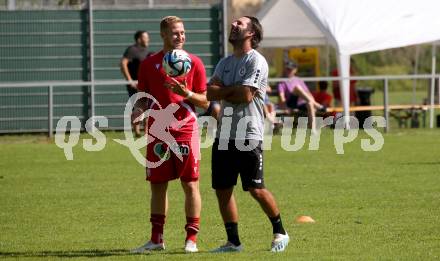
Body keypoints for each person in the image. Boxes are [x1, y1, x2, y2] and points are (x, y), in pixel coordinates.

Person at [207, 16, 289, 253]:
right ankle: (233, 242)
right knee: (222, 190)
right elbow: (210, 93)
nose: (234, 25)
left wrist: (225, 91)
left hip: (248, 135)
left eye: (240, 24)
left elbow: (245, 95)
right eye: (233, 23)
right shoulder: (224, 62)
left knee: (256, 189)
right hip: (224, 135)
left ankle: (280, 231)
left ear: (252, 33)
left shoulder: (257, 61)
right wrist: (230, 90)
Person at [130, 16, 208, 253]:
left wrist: (186, 93)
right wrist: (137, 111)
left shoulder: (194, 63)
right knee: (157, 185)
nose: (180, 37)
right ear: (163, 34)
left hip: (185, 129)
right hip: (157, 131)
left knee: (191, 184)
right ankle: (156, 239)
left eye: (183, 33)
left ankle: (191, 240)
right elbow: (143, 98)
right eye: (175, 33)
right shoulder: (148, 64)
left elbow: (204, 101)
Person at [120, 30, 151, 137]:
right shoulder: (132, 50)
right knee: (137, 107)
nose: (148, 39)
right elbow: (123, 63)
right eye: (145, 37)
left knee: (148, 106)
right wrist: (130, 80)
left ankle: (147, 131)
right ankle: (137, 132)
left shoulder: (147, 51)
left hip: (146, 83)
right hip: (135, 84)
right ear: (139, 39)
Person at [277, 59, 322, 130]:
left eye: (290, 69)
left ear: (295, 70)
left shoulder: (299, 80)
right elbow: (282, 97)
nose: (289, 71)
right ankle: (317, 105)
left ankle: (313, 129)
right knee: (297, 88)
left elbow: (308, 93)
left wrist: (312, 103)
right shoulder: (282, 81)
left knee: (310, 103)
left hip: (300, 103)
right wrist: (285, 107)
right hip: (290, 103)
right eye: (287, 69)